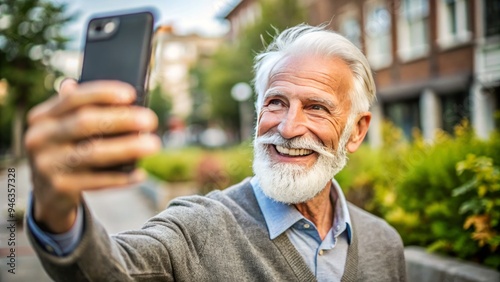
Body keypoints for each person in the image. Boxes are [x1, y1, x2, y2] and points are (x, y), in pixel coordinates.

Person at [25, 24, 406, 281]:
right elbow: (110, 270)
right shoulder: (199, 227)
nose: (288, 128)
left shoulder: (384, 244)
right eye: (276, 103)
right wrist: (56, 209)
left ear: (356, 131)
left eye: (317, 108)